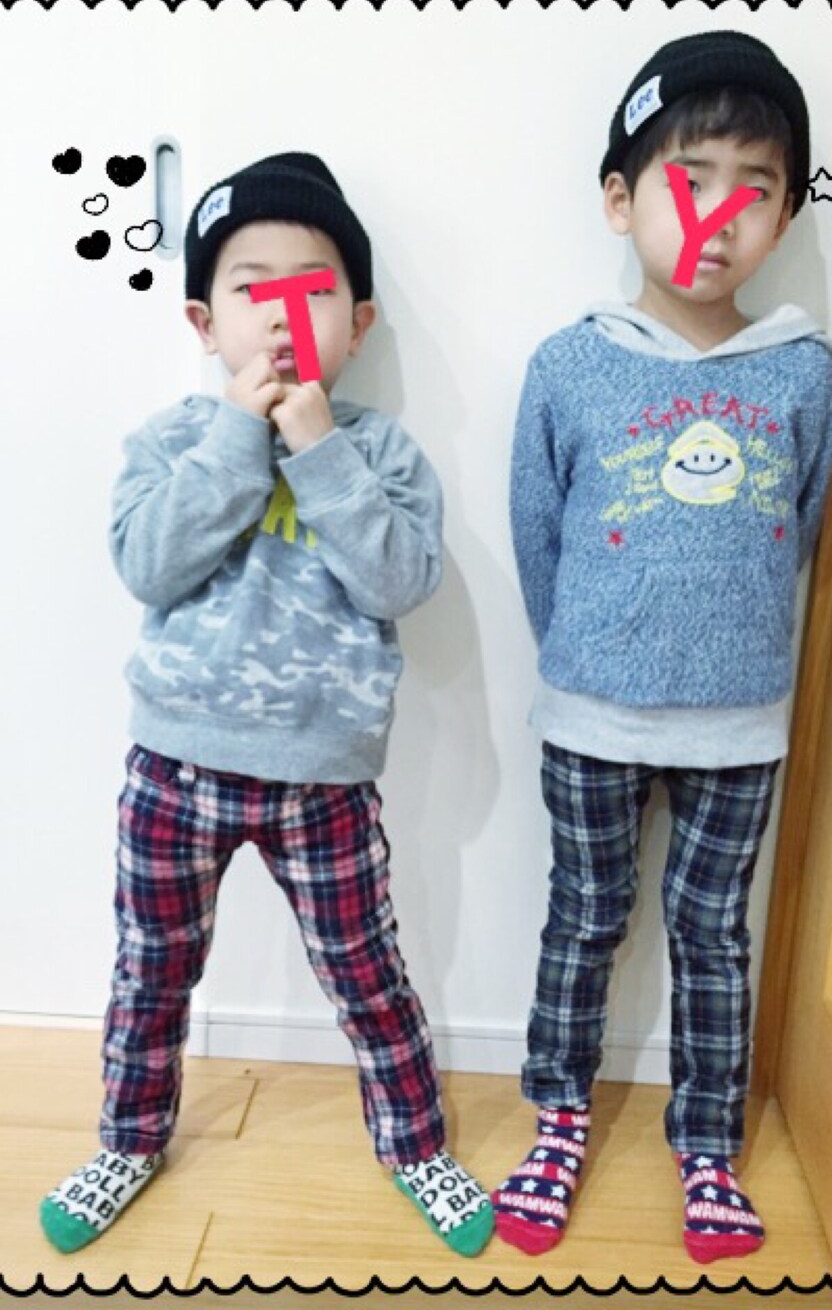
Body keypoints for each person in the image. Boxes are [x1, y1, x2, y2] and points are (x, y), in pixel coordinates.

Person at [39, 151, 493, 1259]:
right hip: (174, 767)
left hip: (324, 780)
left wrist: (316, 445)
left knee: (368, 976)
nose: (284, 315)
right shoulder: (172, 442)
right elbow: (149, 564)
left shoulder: (380, 453)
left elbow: (398, 582)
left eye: (313, 289)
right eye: (253, 290)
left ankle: (416, 1146)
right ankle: (128, 1142)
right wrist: (241, 437)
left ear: (360, 321)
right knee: (151, 974)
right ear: (205, 322)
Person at [492, 32, 832, 1265]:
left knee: (711, 932)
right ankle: (558, 1116)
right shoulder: (568, 364)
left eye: (755, 189)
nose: (719, 215)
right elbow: (537, 531)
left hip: (739, 721)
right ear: (620, 197)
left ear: (784, 216)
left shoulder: (802, 373)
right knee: (582, 919)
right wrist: (587, 649)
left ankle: (705, 1144)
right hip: (591, 711)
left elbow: (799, 522)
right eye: (691, 180)